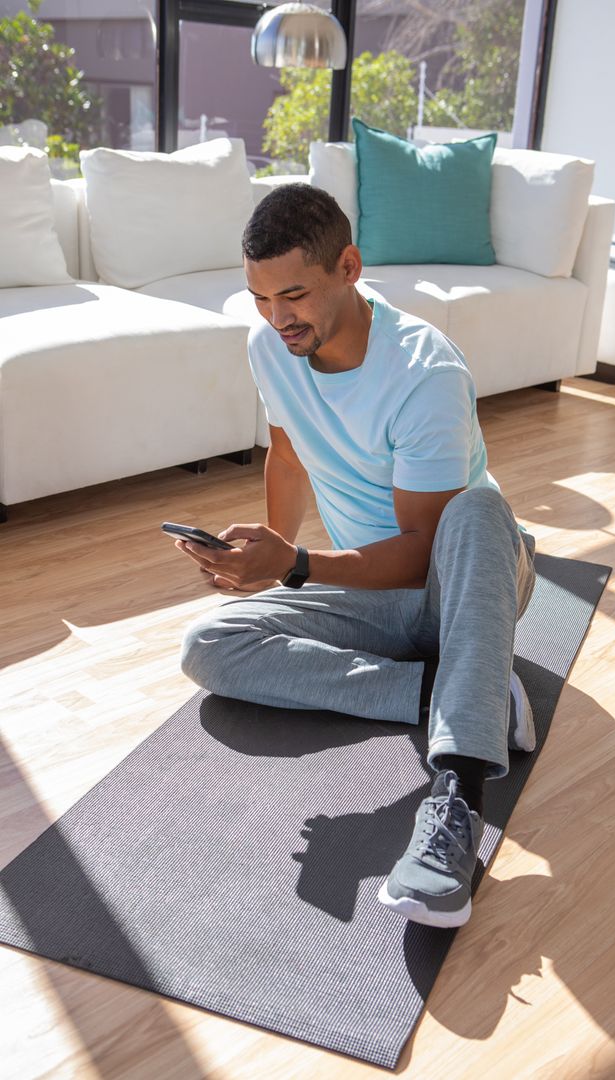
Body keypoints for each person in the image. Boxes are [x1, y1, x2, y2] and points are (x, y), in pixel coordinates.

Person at [178, 183, 536, 929]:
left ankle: (456, 801)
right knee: (209, 644)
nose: (277, 318)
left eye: (294, 295)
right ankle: (462, 694)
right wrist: (265, 557)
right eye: (260, 298)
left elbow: (421, 556)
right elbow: (287, 456)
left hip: (461, 580)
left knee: (477, 511)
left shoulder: (424, 373)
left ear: (349, 266)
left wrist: (296, 565)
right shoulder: (272, 347)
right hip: (366, 590)